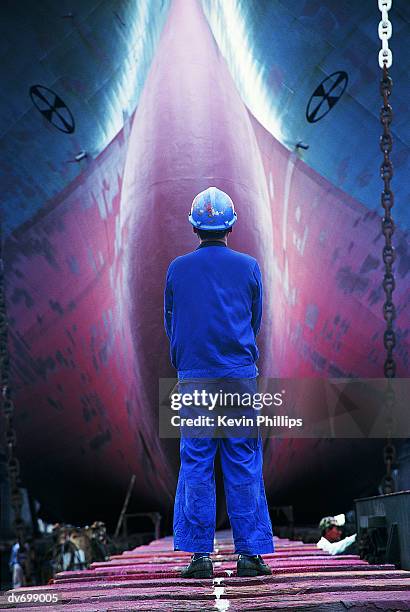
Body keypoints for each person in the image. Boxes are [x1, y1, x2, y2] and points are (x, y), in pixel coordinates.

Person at [164, 186, 274, 578]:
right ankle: (250, 554)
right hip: (238, 377)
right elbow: (255, 320)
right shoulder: (249, 267)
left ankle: (199, 557)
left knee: (196, 461)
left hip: (195, 379)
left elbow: (171, 323)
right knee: (243, 460)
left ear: (195, 227)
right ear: (231, 225)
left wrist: (187, 365)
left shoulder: (177, 269)